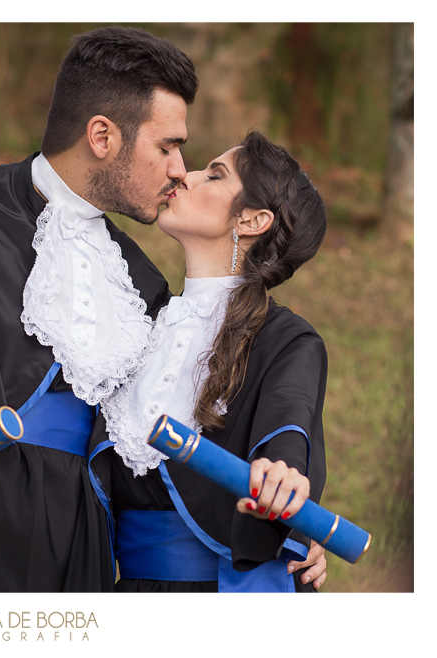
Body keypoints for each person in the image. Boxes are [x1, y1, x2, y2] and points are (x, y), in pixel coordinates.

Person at [0, 26, 326, 592]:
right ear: (102, 136)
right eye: (168, 147)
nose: (181, 169)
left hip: (81, 553)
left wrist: (297, 532)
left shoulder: (143, 287)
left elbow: (263, 409)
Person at [91, 129, 329, 592]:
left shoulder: (287, 340)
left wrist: (283, 476)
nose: (185, 175)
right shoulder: (139, 319)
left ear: (252, 219)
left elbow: (287, 424)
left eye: (214, 175)